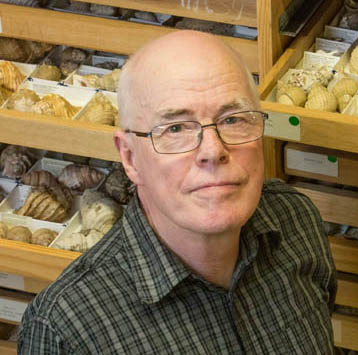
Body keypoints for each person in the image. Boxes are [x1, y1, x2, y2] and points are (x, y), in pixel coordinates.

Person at [18, 30, 337, 354]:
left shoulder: (296, 224)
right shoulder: (65, 331)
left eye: (232, 119)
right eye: (175, 128)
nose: (213, 150)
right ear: (130, 158)